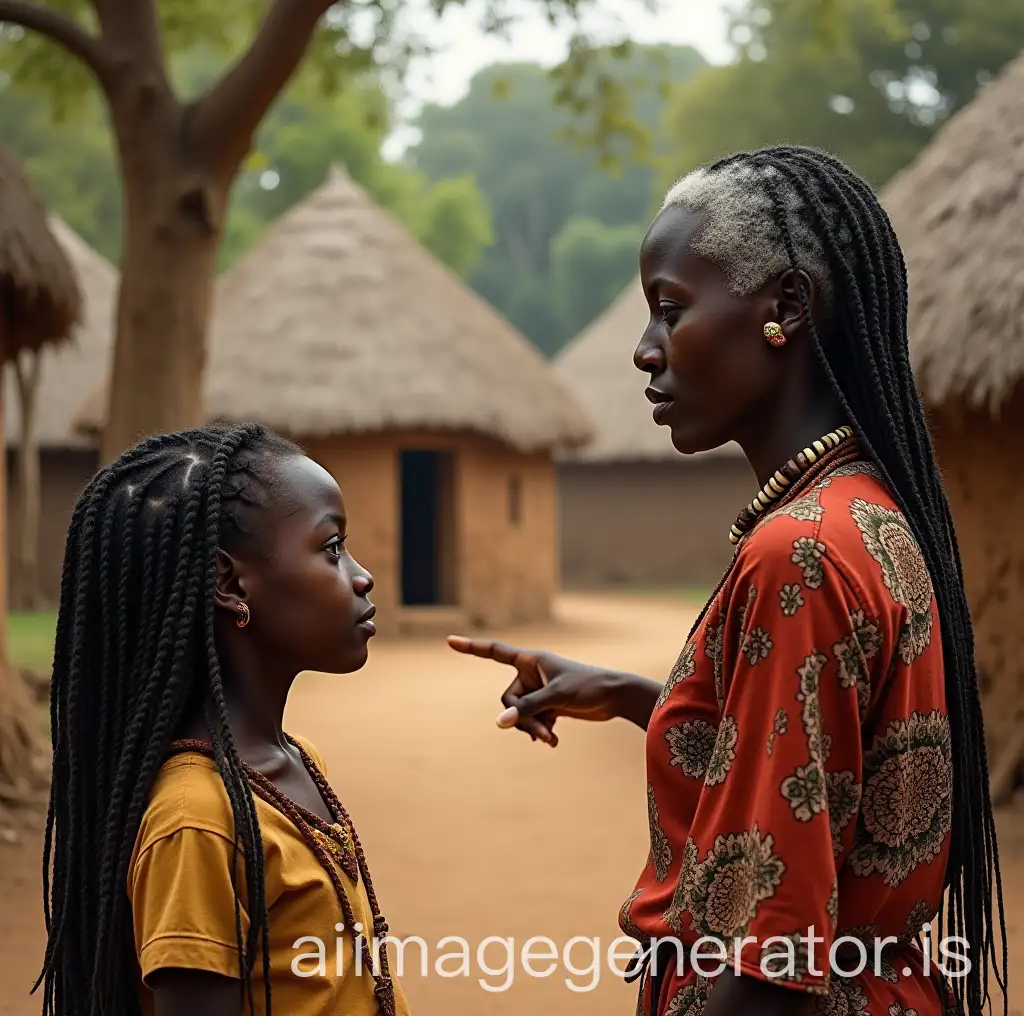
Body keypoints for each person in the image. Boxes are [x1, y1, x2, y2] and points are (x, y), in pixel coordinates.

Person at [449, 146, 1008, 1016]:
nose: (643, 350)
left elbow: (769, 968)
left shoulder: (798, 554)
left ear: (785, 307)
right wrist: (647, 696)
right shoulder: (858, 510)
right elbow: (829, 770)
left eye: (670, 310)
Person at [35, 423, 410, 1016]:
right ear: (228, 582)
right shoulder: (199, 820)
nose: (362, 576)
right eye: (332, 548)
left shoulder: (294, 761)